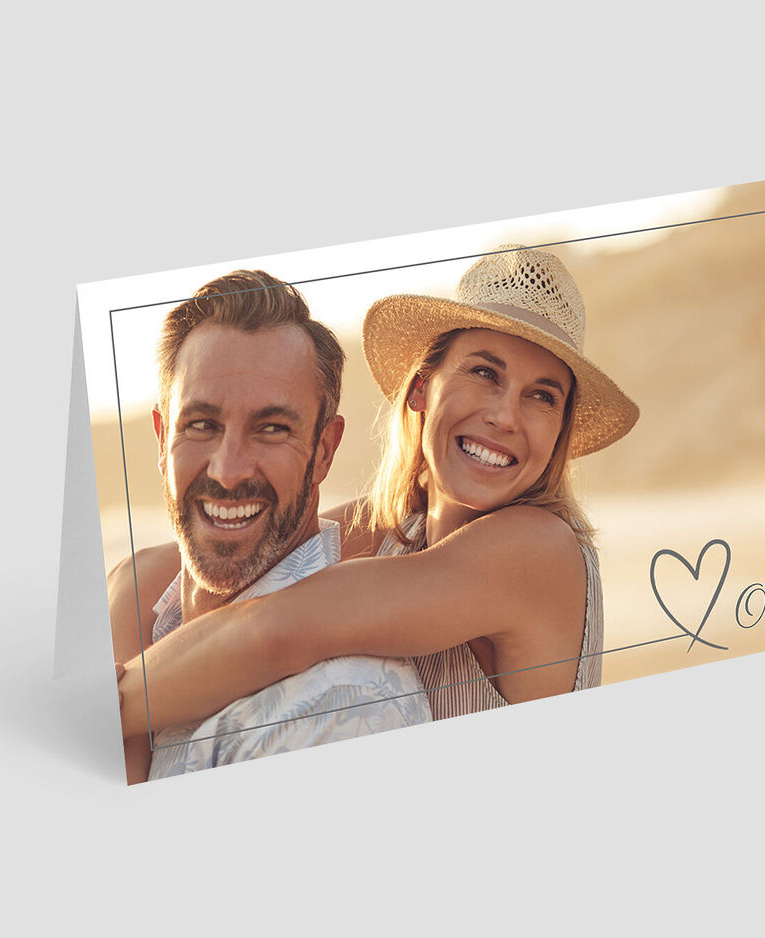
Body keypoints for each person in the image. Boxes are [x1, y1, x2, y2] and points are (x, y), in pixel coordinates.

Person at [116, 245, 639, 738]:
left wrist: (108, 712)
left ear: (559, 432)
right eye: (484, 373)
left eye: (542, 396)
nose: (505, 415)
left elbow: (277, 629)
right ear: (421, 387)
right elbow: (150, 574)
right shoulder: (394, 533)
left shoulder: (539, 551)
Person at [109, 269, 429, 784]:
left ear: (323, 451)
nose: (228, 470)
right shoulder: (142, 616)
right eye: (201, 425)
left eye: (272, 429)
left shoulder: (338, 706)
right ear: (161, 436)